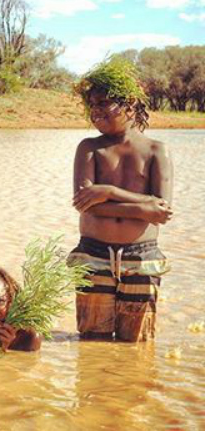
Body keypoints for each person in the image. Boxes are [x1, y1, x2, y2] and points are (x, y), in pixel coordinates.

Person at [68, 57, 173, 342]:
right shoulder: (89, 148)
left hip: (142, 257)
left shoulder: (156, 151)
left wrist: (109, 191)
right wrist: (143, 206)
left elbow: (161, 212)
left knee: (135, 345)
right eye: (92, 105)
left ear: (129, 104)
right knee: (92, 340)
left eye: (103, 103)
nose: (95, 111)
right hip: (93, 255)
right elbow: (86, 204)